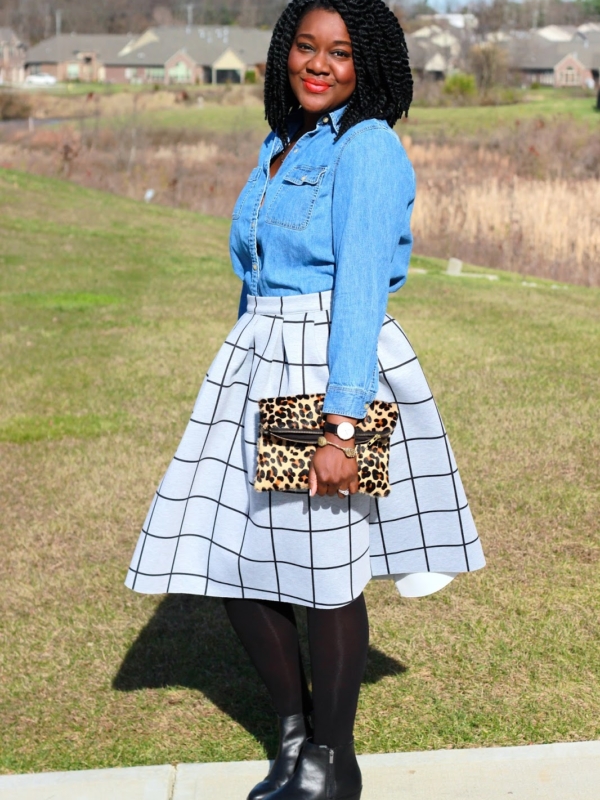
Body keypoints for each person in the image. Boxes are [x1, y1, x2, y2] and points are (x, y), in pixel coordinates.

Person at [125, 1, 485, 798]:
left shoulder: (367, 147)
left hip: (323, 368)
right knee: (229, 561)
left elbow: (360, 289)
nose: (319, 64)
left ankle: (331, 760)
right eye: (306, 47)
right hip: (258, 362)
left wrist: (341, 427)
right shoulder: (283, 142)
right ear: (284, 51)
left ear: (368, 64)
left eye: (341, 52)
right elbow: (256, 271)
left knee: (322, 571)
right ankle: (293, 736)